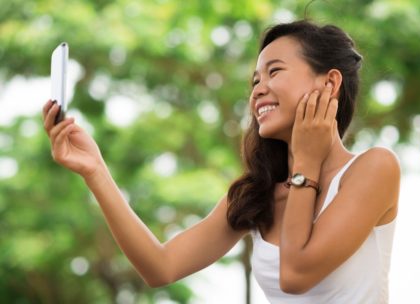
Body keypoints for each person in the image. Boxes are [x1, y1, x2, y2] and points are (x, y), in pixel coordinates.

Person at [43, 20, 400, 303]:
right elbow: (160, 267)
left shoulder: (373, 168)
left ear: (330, 83)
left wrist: (306, 161)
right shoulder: (257, 194)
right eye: (255, 80)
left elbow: (295, 275)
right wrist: (95, 170)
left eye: (275, 72)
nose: (258, 89)